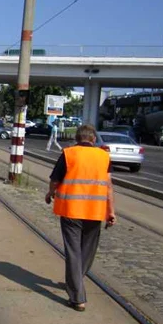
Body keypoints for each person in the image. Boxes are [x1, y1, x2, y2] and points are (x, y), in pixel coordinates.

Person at [44, 124, 116, 312]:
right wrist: (111, 212)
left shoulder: (69, 154)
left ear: (77, 139)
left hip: (71, 210)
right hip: (95, 211)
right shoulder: (104, 157)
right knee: (86, 252)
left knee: (74, 252)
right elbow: (108, 186)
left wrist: (50, 193)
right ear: (93, 140)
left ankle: (77, 297)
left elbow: (55, 180)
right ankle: (76, 282)